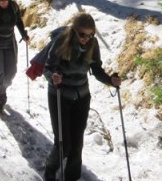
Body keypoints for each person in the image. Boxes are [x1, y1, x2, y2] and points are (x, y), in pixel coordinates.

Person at [43, 12, 122, 181]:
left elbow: (97, 70)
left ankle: (72, 177)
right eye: (82, 34)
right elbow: (48, 67)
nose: (86, 38)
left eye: (91, 34)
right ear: (74, 30)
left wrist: (110, 80)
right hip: (59, 94)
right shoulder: (62, 41)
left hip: (82, 96)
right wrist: (53, 77)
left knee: (77, 143)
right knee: (63, 143)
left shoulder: (93, 44)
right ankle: (50, 169)